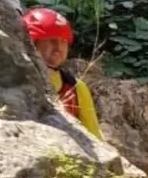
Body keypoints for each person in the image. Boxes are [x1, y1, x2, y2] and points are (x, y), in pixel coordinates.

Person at [23, 7, 102, 138]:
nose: (59, 48)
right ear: (33, 42)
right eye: (51, 40)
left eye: (63, 41)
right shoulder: (18, 79)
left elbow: (94, 135)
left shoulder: (76, 87)